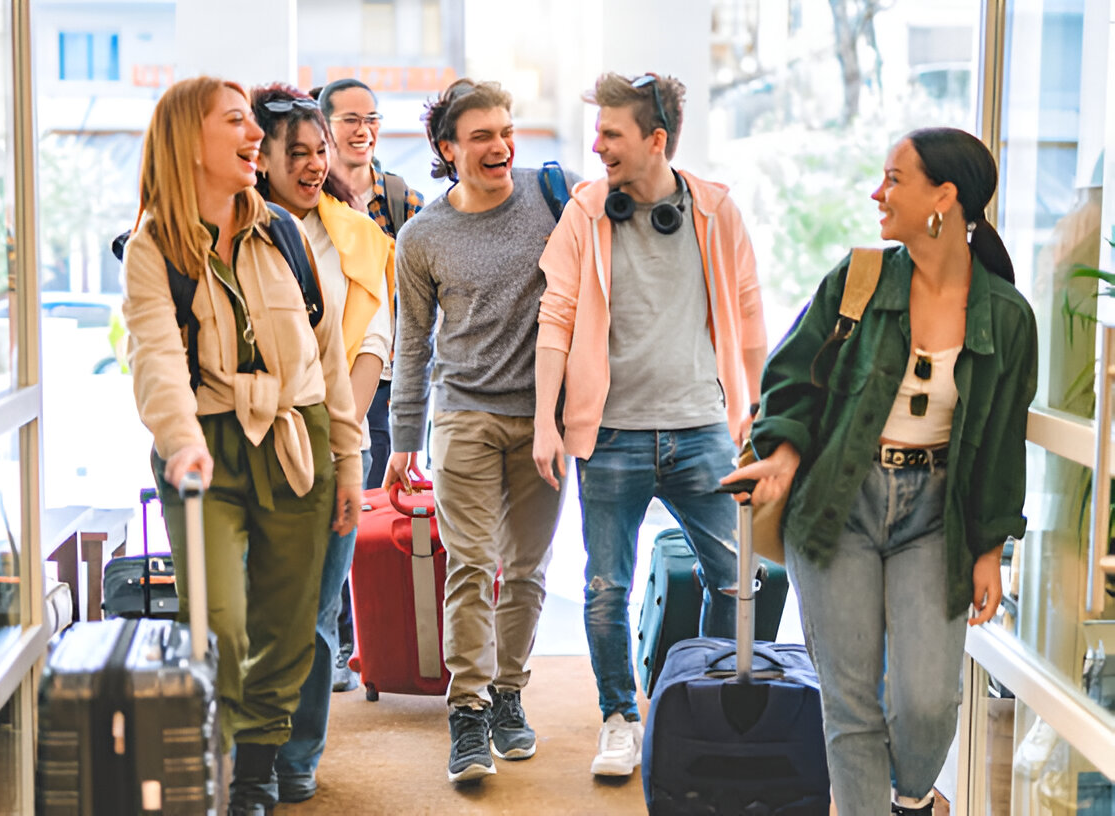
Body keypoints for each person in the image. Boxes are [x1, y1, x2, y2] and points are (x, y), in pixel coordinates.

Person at [723, 127, 1037, 816]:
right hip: (840, 502)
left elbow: (1003, 444)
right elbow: (793, 377)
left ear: (943, 197)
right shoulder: (858, 278)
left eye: (894, 178)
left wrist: (991, 548)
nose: (877, 192)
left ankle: (914, 799)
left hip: (938, 514)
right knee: (851, 700)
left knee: (927, 699)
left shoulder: (1008, 317)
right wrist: (779, 457)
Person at [120, 76, 362, 816]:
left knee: (288, 624)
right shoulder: (154, 245)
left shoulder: (284, 232)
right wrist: (182, 442)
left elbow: (326, 357)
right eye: (235, 122)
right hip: (205, 448)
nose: (254, 134)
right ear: (188, 141)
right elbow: (156, 358)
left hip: (297, 437)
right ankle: (222, 754)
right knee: (218, 621)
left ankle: (255, 770)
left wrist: (349, 461)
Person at [533, 71, 768, 779]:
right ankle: (619, 720)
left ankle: (703, 706)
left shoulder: (716, 211)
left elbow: (751, 320)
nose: (596, 145)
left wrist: (755, 418)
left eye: (611, 133)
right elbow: (557, 317)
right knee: (607, 587)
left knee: (738, 581)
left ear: (656, 139)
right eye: (595, 131)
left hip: (704, 429)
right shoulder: (585, 212)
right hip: (610, 436)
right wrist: (547, 421)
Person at [383, 78, 575, 784]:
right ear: (447, 149)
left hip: (543, 420)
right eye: (481, 136)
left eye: (505, 131)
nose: (500, 146)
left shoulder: (555, 198)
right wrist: (404, 437)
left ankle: (508, 695)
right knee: (469, 566)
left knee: (525, 569)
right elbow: (412, 344)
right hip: (462, 413)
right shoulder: (422, 237)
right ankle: (465, 710)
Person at [249, 84, 393, 807]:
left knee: (314, 611)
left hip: (337, 440)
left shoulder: (358, 233)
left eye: (319, 152)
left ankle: (296, 756)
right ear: (260, 157)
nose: (312, 164)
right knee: (252, 608)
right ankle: (251, 752)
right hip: (253, 437)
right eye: (296, 152)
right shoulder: (238, 229)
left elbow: (374, 338)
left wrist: (344, 431)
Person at [314, 77, 425, 692]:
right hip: (325, 375)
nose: (364, 130)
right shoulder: (307, 199)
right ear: (324, 127)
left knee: (375, 508)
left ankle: (365, 641)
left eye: (373, 119)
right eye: (351, 119)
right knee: (330, 506)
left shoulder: (402, 200)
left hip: (386, 379)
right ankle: (332, 639)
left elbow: (417, 300)